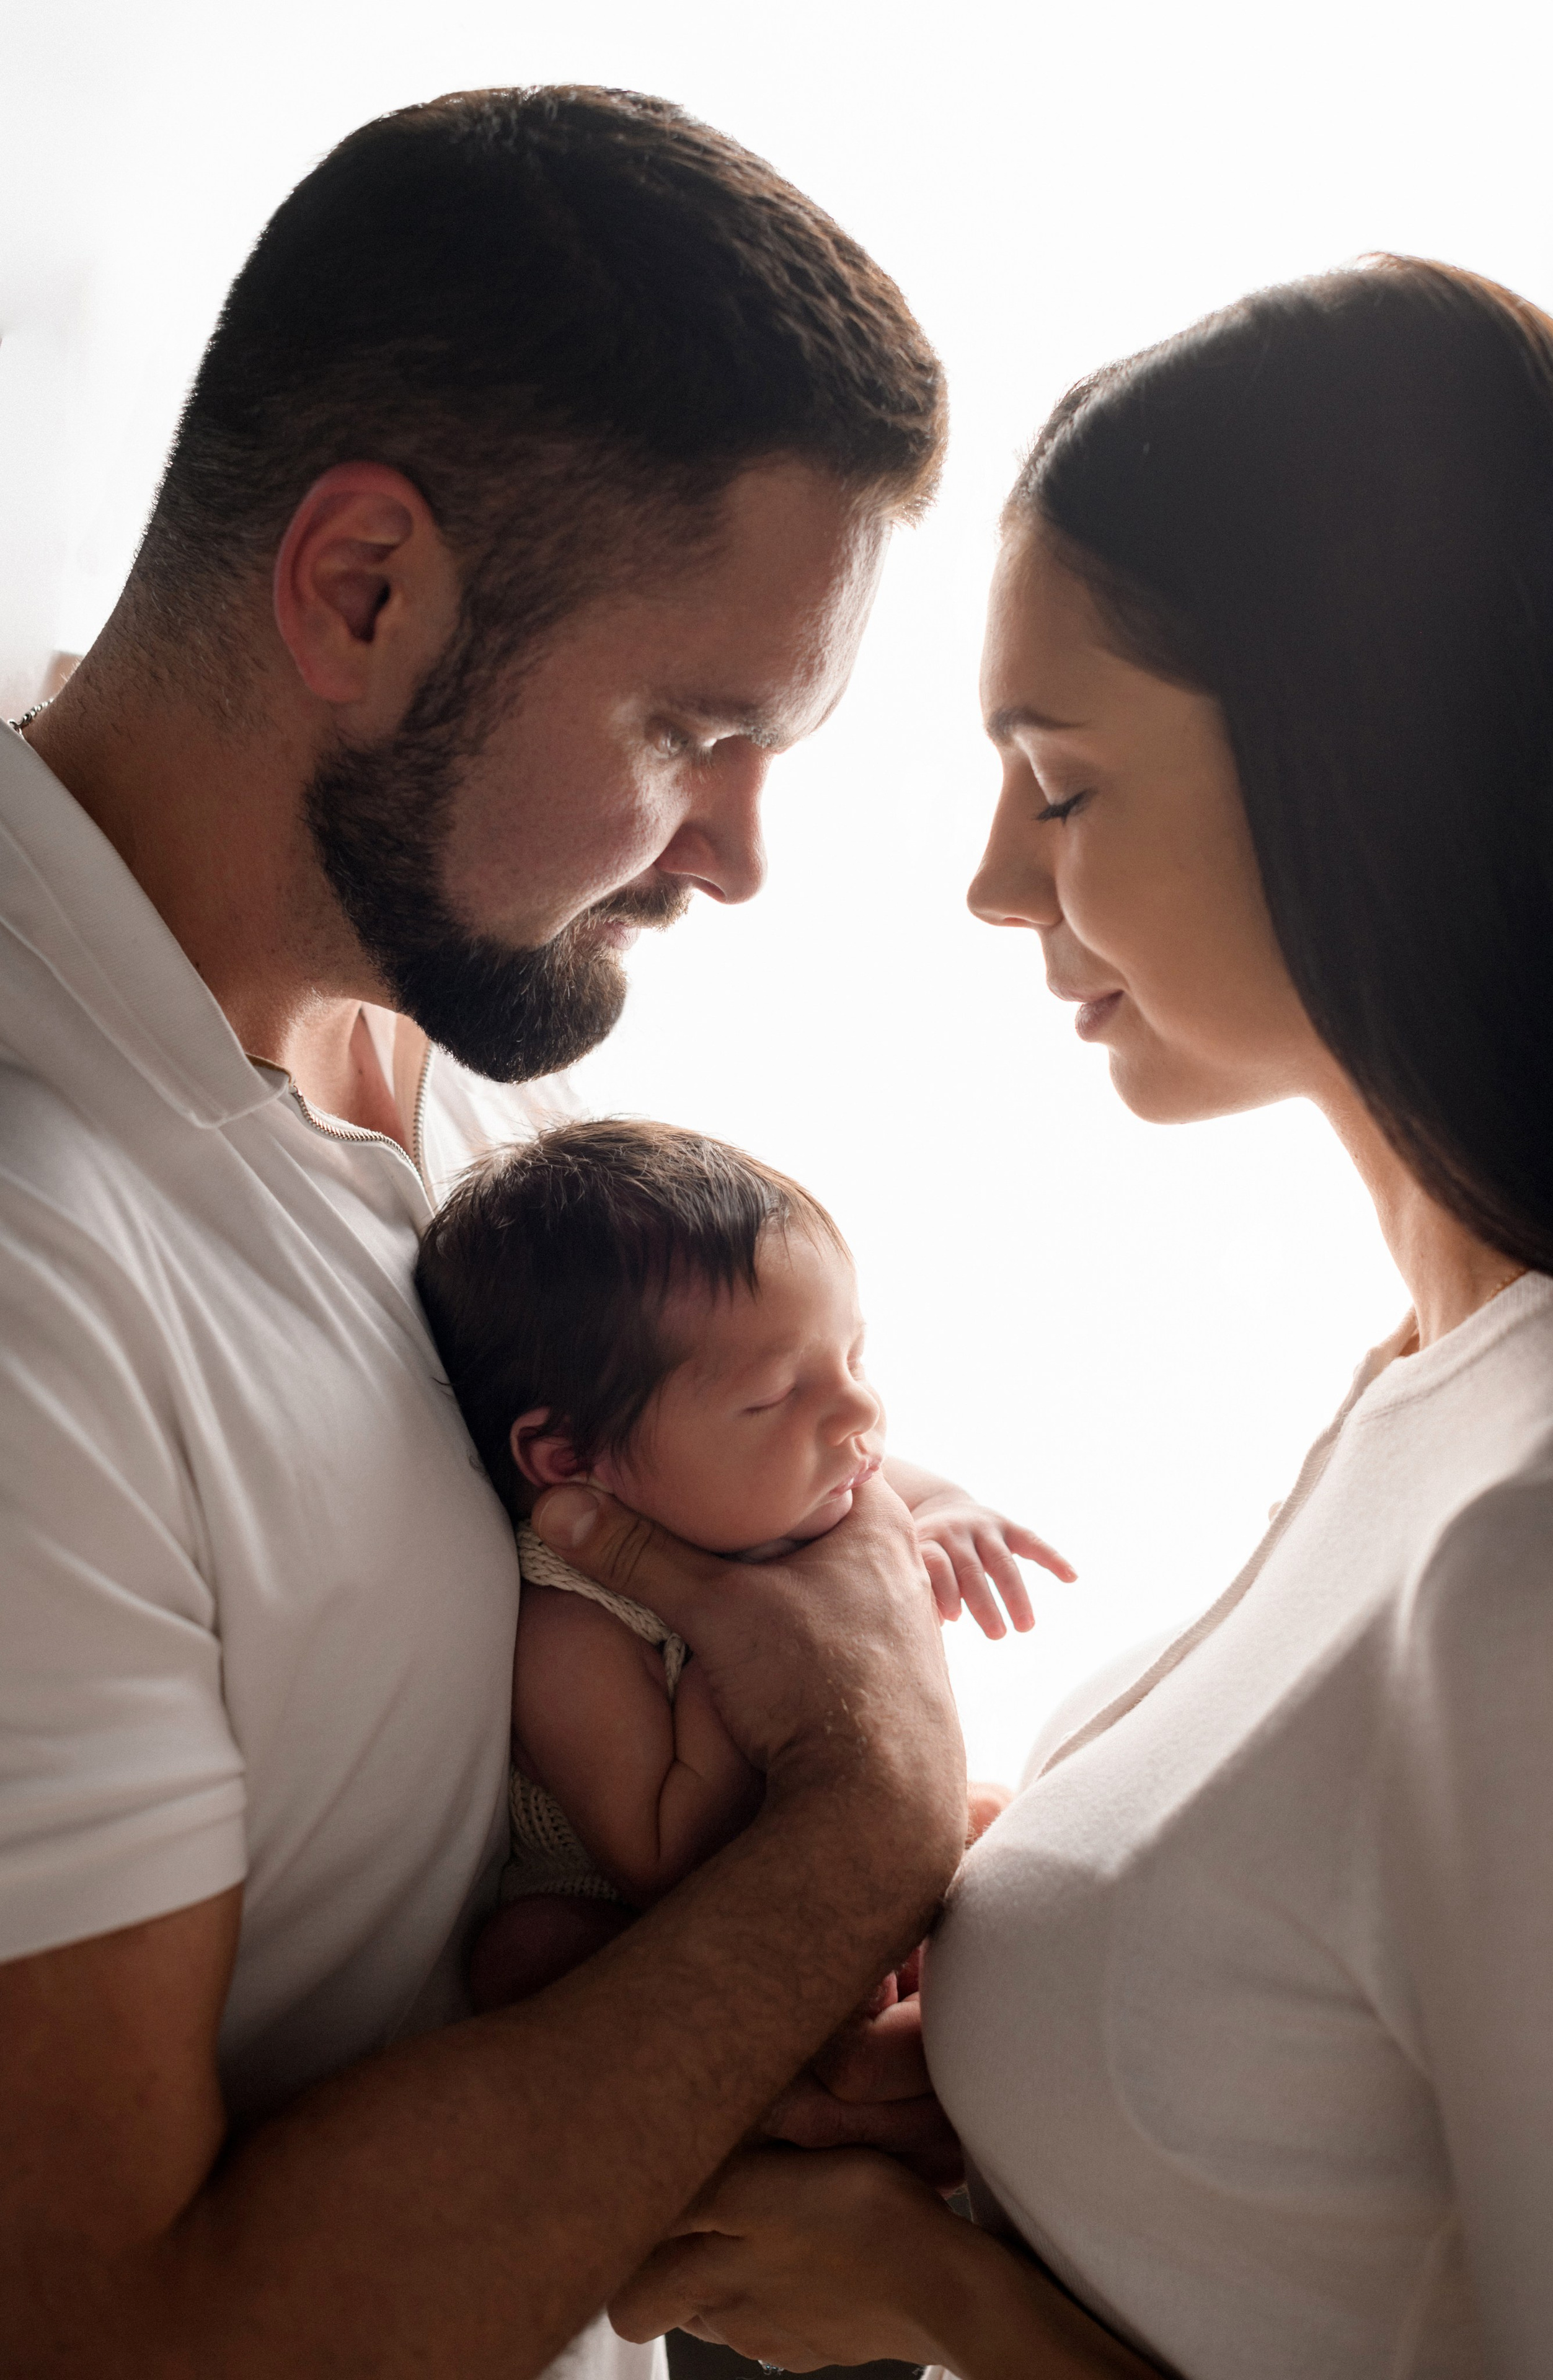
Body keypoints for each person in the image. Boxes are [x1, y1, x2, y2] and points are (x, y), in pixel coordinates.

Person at [0, 86, 970, 2378]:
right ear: (363, 590)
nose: (738, 854)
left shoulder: (454, 1035)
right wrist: (863, 1828)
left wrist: (743, 2018)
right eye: (694, 730)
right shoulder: (41, 1271)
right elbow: (115, 2331)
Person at [602, 256, 1553, 2378]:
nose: (991, 879)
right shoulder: (1424, 1389)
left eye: (1058, 784)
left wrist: (936, 2294)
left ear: (1368, 768)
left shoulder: (1550, 1549)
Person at [413, 1118, 1070, 2004]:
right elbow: (660, 1857)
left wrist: (949, 1510)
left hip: (835, 1835)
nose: (859, 1411)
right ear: (572, 1459)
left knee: (993, 1810)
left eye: (853, 1356)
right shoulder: (575, 1623)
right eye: (775, 1395)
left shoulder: (799, 1480)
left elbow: (892, 1483)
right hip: (655, 1911)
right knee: (524, 1951)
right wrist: (739, 1665)